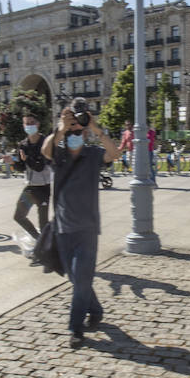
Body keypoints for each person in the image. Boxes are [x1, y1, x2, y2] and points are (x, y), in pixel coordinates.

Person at [42, 99, 122, 348]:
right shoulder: (60, 153)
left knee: (82, 280)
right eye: (73, 130)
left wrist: (96, 129)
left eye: (80, 130)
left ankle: (76, 328)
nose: (76, 133)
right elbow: (45, 150)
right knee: (76, 279)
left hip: (87, 228)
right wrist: (60, 128)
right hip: (63, 229)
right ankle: (96, 310)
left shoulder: (93, 154)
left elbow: (115, 153)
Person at [14, 113, 52, 244]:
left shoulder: (45, 143)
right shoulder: (23, 144)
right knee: (19, 216)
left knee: (44, 223)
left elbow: (40, 166)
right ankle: (39, 242)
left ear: (38, 124)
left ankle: (44, 248)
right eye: (26, 123)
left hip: (43, 188)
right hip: (30, 188)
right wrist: (12, 162)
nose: (29, 125)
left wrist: (27, 159)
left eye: (31, 122)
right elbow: (21, 167)